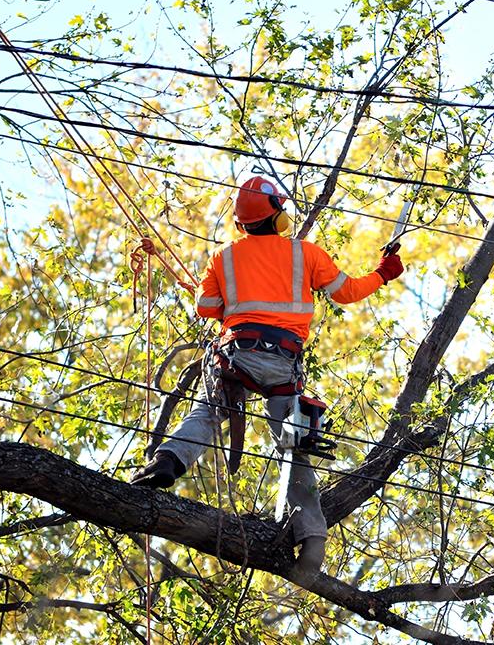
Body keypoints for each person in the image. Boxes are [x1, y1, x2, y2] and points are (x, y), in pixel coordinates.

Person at [131, 175, 404, 576]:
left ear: (241, 224)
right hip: (282, 360)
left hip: (235, 354)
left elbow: (206, 307)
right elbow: (347, 292)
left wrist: (234, 305)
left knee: (207, 413)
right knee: (291, 443)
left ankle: (167, 462)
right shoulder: (306, 254)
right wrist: (383, 272)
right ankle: (311, 541)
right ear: (279, 216)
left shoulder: (224, 257)